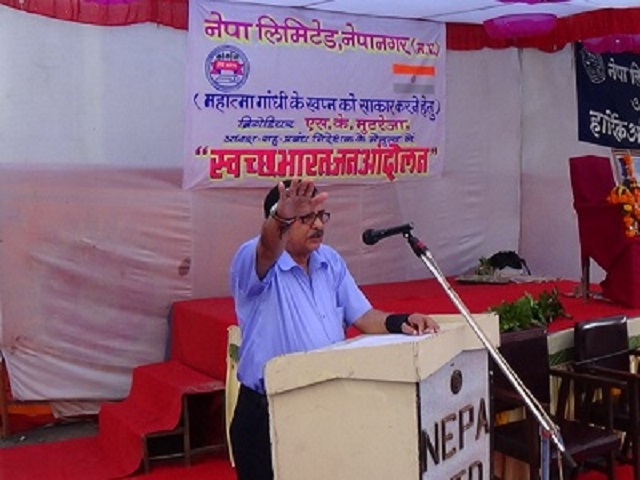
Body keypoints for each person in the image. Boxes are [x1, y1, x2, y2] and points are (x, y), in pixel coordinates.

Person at [228, 177, 440, 480]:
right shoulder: (254, 260)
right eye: (305, 218)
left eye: (320, 216)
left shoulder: (329, 260)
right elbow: (267, 247)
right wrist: (282, 218)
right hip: (268, 412)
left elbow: (363, 315)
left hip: (326, 404)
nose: (317, 225)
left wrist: (400, 321)